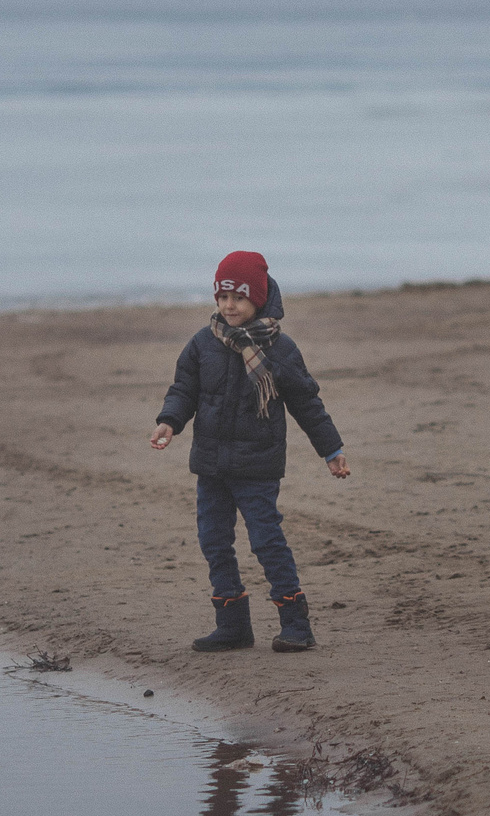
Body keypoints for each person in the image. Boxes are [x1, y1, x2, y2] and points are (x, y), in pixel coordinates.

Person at [150, 250, 349, 652]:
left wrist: (331, 449)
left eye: (238, 298)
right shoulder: (203, 342)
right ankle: (233, 625)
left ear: (257, 299)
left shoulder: (279, 348)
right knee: (214, 541)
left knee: (266, 541)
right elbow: (184, 390)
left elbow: (306, 403)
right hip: (211, 464)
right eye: (223, 297)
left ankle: (295, 623)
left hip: (258, 465)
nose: (229, 305)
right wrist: (169, 421)